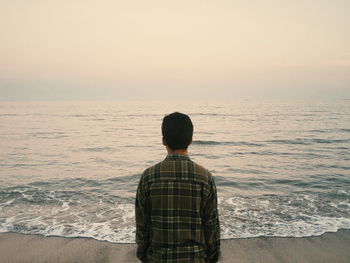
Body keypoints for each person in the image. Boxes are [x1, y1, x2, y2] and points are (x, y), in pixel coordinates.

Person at [135, 112, 220, 263]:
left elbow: (142, 227)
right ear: (191, 140)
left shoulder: (148, 177)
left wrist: (144, 255)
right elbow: (211, 227)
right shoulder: (204, 177)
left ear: (163, 140)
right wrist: (211, 257)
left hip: (158, 258)